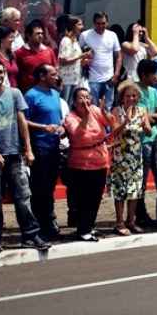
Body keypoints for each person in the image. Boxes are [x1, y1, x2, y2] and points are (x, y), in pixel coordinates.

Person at [0, 60, 48, 252]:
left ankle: (31, 235)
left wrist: (28, 149)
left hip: (15, 154)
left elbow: (22, 121)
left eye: (0, 72)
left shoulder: (15, 93)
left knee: (23, 196)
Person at [64, 87, 113, 241]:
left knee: (96, 197)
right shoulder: (70, 117)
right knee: (83, 198)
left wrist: (104, 111)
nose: (85, 100)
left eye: (87, 97)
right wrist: (85, 116)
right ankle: (83, 229)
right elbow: (78, 134)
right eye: (81, 97)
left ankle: (89, 226)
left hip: (100, 160)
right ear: (74, 101)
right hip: (81, 163)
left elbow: (111, 122)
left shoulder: (95, 110)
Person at [23, 64, 65, 241]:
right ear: (42, 76)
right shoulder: (31, 95)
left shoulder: (55, 94)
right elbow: (23, 121)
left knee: (49, 187)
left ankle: (49, 222)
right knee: (39, 188)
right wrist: (43, 127)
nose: (56, 77)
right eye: (53, 74)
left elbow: (58, 118)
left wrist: (61, 127)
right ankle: (39, 225)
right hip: (39, 147)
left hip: (54, 146)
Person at [111, 80, 152, 236]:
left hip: (135, 156)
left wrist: (146, 127)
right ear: (122, 97)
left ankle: (131, 221)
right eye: (128, 96)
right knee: (120, 190)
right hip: (120, 157)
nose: (131, 98)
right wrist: (125, 122)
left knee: (134, 190)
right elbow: (114, 132)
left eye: (134, 96)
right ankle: (119, 222)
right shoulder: (116, 111)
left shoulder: (142, 110)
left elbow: (148, 131)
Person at [135, 59, 157, 230]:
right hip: (142, 141)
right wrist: (148, 117)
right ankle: (140, 214)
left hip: (155, 138)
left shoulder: (154, 91)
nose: (156, 77)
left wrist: (147, 116)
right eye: (153, 74)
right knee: (142, 180)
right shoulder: (134, 91)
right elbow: (138, 115)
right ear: (144, 75)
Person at [80, 12, 122, 111]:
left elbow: (119, 56)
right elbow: (78, 54)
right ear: (94, 23)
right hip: (92, 79)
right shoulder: (85, 35)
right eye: (98, 23)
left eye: (103, 23)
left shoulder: (112, 35)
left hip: (109, 78)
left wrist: (116, 74)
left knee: (108, 108)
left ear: (107, 23)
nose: (101, 26)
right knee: (93, 108)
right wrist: (85, 60)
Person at [14, 20, 58, 93]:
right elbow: (16, 74)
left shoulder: (49, 51)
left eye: (42, 33)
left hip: (47, 91)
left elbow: (55, 69)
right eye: (37, 33)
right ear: (28, 35)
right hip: (27, 91)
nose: (40, 36)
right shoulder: (19, 53)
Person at [57, 14, 90, 104]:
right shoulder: (66, 40)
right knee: (64, 103)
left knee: (71, 104)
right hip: (66, 80)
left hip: (75, 79)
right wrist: (80, 56)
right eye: (79, 24)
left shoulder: (75, 41)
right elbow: (63, 60)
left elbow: (75, 60)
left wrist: (84, 60)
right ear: (73, 26)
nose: (82, 27)